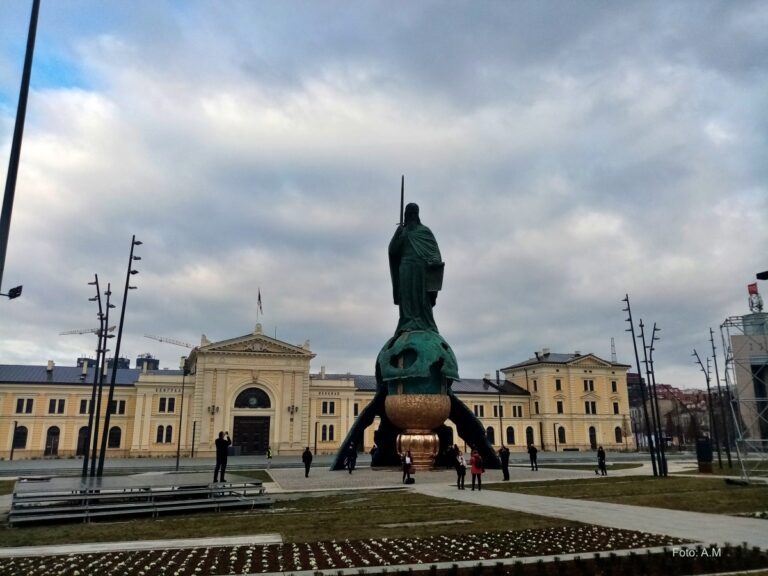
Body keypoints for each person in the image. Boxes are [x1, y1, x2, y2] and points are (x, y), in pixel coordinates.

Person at [388, 203, 444, 334]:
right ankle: (406, 322)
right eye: (409, 213)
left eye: (414, 213)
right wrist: (397, 236)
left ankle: (425, 324)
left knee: (422, 297)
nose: (412, 215)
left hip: (421, 268)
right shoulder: (403, 232)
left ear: (418, 215)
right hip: (406, 267)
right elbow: (393, 251)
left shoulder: (424, 231)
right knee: (406, 295)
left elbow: (434, 250)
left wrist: (435, 261)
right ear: (405, 215)